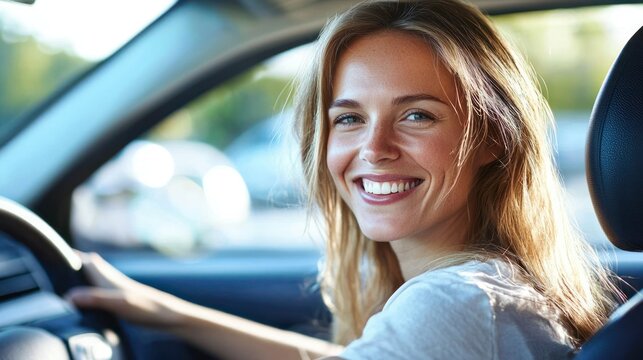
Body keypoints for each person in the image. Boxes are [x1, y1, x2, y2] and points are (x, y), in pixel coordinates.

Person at [67, 0, 622, 359]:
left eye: (416, 115)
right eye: (350, 118)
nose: (373, 150)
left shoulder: (457, 303)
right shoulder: (490, 294)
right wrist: (166, 312)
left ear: (493, 139)